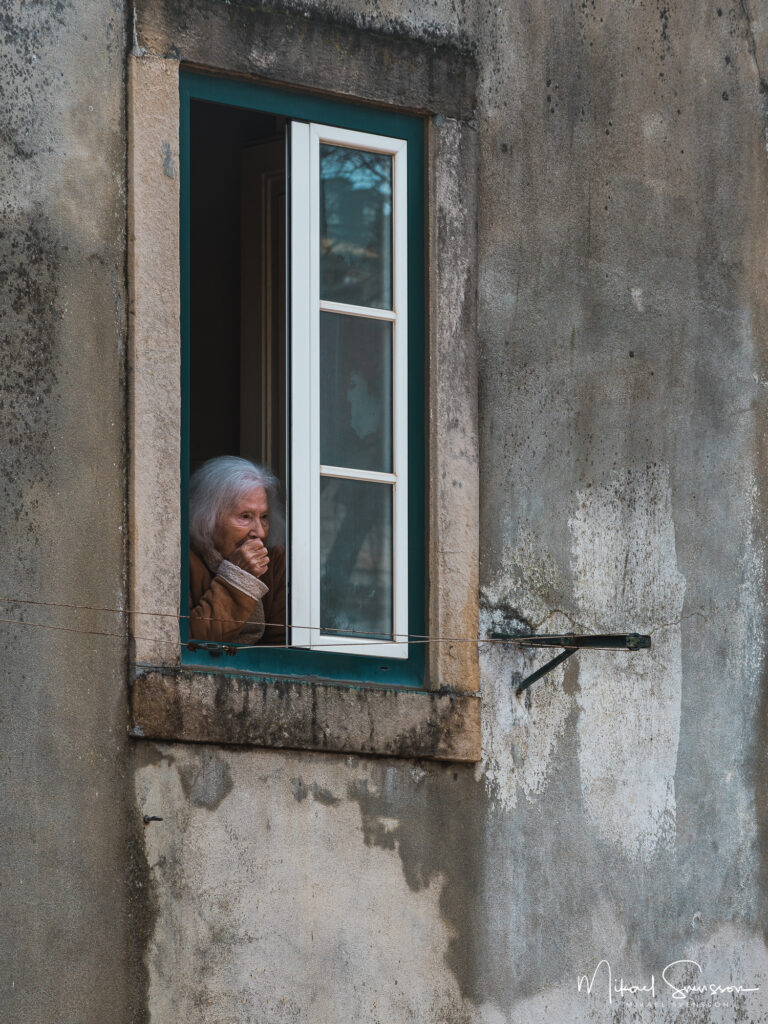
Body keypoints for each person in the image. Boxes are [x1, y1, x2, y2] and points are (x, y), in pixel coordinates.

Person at [188, 456, 286, 644]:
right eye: (245, 516)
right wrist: (238, 578)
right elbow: (192, 644)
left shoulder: (275, 560)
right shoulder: (184, 560)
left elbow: (283, 645)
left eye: (264, 517)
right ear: (208, 518)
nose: (259, 532)